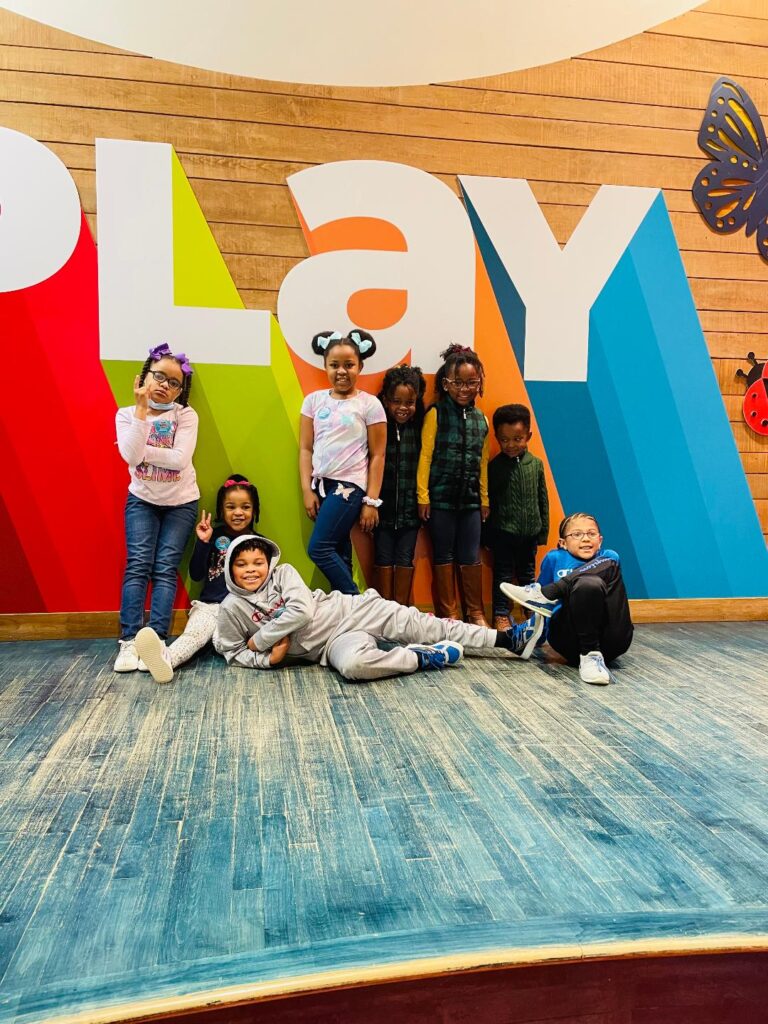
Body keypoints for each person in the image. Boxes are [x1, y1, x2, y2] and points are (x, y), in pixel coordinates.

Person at [215, 535, 544, 679]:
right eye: (241, 564)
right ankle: (422, 657)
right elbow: (231, 651)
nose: (251, 570)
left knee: (428, 625)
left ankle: (508, 641)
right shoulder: (232, 607)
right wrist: (265, 660)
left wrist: (260, 641)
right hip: (329, 647)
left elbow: (302, 611)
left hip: (350, 611)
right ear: (230, 569)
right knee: (355, 668)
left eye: (258, 562)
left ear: (269, 563)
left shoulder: (284, 574)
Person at [114, 343, 198, 673]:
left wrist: (143, 451)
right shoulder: (126, 414)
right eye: (158, 375)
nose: (164, 384)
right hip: (142, 500)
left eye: (173, 381)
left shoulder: (186, 415)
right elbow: (131, 457)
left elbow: (180, 460)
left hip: (181, 502)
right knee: (138, 565)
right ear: (145, 375)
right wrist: (140, 412)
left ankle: (156, 642)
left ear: (181, 389)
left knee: (164, 569)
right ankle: (129, 642)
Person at [134, 474, 259, 683]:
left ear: (254, 510)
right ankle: (165, 660)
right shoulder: (212, 536)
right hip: (209, 607)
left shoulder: (259, 543)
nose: (238, 512)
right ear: (221, 510)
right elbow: (196, 574)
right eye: (231, 507)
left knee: (222, 643)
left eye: (245, 507)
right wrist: (203, 543)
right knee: (193, 636)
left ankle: (247, 653)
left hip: (239, 610)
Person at [300, 330, 387, 594]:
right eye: (334, 365)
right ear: (325, 365)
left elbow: (378, 455)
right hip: (321, 486)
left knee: (319, 548)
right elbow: (305, 448)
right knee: (339, 552)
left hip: (348, 488)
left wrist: (371, 501)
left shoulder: (369, 404)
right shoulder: (313, 401)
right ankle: (346, 615)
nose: (341, 371)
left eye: (349, 365)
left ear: (360, 366)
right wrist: (307, 490)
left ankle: (358, 602)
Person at [501, 513, 633, 685]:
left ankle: (549, 591)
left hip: (612, 638)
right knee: (588, 584)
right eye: (577, 534)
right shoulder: (554, 558)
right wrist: (534, 637)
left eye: (591, 534)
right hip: (569, 640)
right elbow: (540, 606)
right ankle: (589, 655)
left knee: (607, 565)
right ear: (563, 543)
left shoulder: (608, 557)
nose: (585, 539)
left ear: (600, 540)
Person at [417, 344, 490, 626]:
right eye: (458, 383)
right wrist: (423, 496)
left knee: (470, 556)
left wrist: (484, 499)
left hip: (471, 501)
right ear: (446, 384)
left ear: (479, 383)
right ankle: (449, 615)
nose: (465, 389)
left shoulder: (480, 419)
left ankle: (476, 613)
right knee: (444, 554)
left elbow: (482, 462)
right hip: (440, 500)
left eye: (471, 383)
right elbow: (425, 456)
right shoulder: (436, 414)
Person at [486, 404, 549, 631]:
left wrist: (543, 531)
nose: (511, 445)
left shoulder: (536, 465)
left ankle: (530, 611)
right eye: (504, 440)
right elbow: (488, 502)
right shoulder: (495, 467)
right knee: (502, 575)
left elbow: (543, 499)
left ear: (528, 436)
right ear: (497, 438)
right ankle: (501, 615)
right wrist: (488, 537)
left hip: (530, 534)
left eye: (517, 439)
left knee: (527, 576)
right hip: (503, 533)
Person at [372, 364, 427, 605]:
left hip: (410, 513)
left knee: (405, 559)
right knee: (383, 558)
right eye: (397, 401)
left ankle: (401, 611)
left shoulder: (419, 427)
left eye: (410, 402)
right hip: (381, 510)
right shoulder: (377, 427)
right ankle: (384, 612)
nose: (403, 408)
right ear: (385, 400)